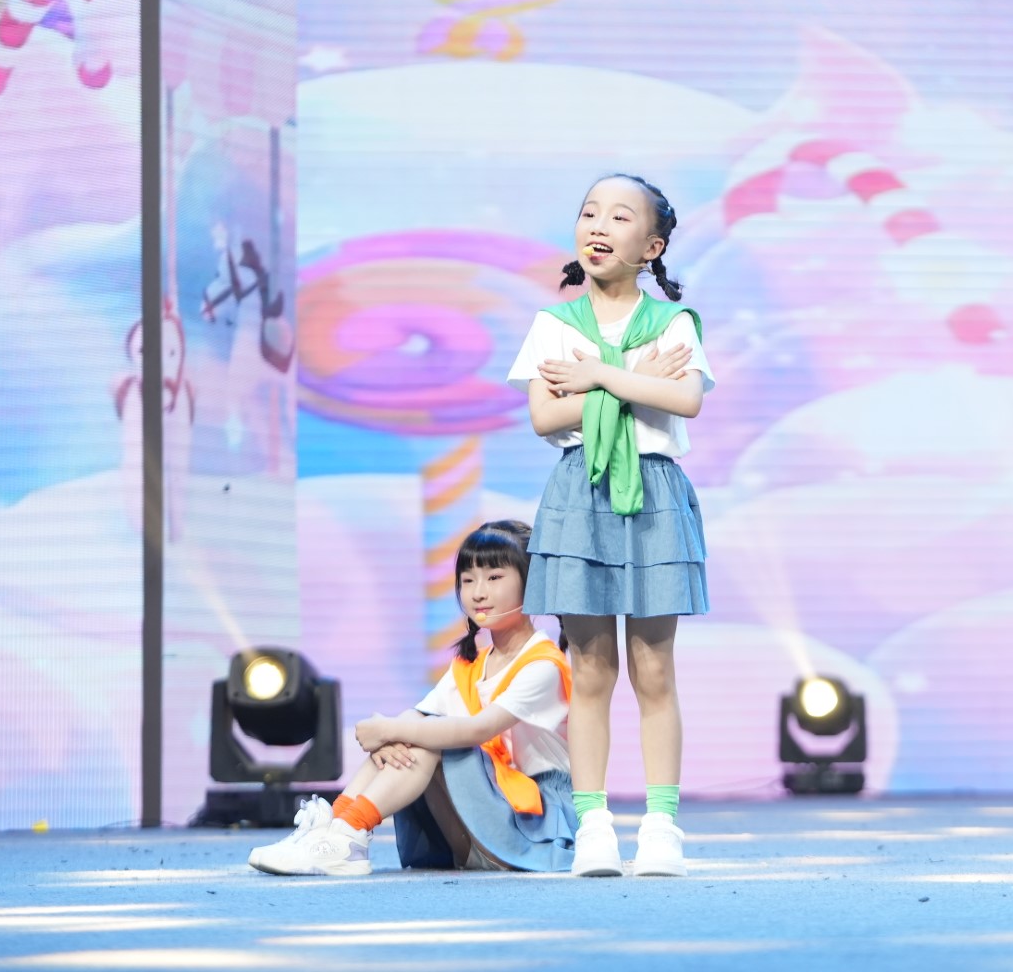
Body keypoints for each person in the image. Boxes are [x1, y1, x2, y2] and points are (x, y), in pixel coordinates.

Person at [506, 173, 713, 878]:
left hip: (653, 492)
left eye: (619, 217)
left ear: (652, 246)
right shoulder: (554, 324)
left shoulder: (675, 324)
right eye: (589, 212)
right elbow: (546, 416)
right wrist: (632, 376)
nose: (597, 226)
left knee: (654, 671)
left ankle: (661, 827)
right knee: (589, 671)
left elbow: (684, 400)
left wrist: (596, 376)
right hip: (579, 493)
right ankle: (593, 825)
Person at [247, 520, 575, 875]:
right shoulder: (472, 664)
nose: (478, 592)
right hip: (485, 818)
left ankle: (349, 832)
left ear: (531, 584)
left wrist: (388, 730)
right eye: (468, 580)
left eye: (494, 578)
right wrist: (388, 736)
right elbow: (418, 716)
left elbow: (478, 730)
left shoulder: (543, 664)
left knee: (427, 736)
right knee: (417, 731)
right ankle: (334, 826)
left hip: (535, 828)